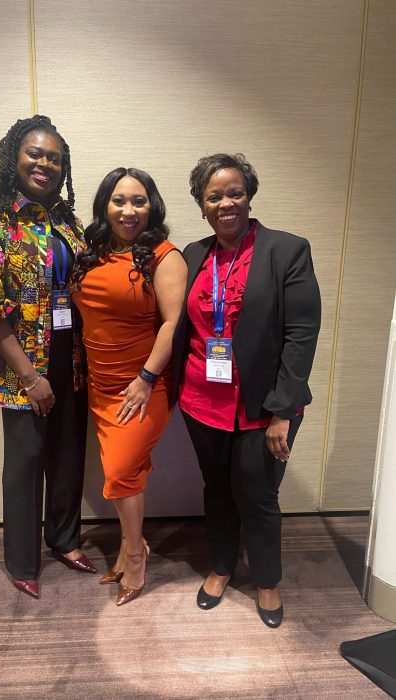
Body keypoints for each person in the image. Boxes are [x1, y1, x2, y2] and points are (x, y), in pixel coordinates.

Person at [172, 153, 321, 627]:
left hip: (264, 405)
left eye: (234, 192)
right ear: (201, 205)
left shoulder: (287, 250)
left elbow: (302, 333)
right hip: (201, 399)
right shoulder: (193, 256)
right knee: (216, 489)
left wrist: (284, 410)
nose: (225, 203)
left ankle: (268, 581)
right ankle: (220, 566)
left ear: (250, 194)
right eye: (213, 196)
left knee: (257, 495)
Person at [0, 115, 96, 600]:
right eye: (35, 154)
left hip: (70, 355)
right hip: (22, 363)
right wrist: (28, 376)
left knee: (67, 453)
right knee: (24, 459)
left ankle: (64, 539)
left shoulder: (67, 222)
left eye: (55, 158)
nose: (45, 164)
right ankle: (22, 560)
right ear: (13, 158)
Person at [73, 167, 187, 605]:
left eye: (138, 200)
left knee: (120, 472)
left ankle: (136, 555)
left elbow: (175, 324)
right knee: (124, 474)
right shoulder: (94, 252)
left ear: (152, 205)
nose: (128, 209)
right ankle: (126, 545)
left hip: (144, 384)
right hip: (101, 384)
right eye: (119, 200)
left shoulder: (164, 255)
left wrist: (145, 378)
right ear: (105, 204)